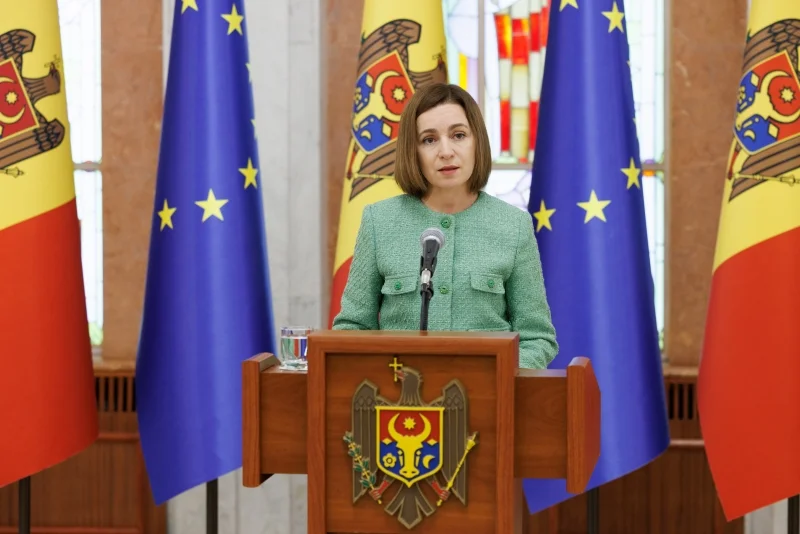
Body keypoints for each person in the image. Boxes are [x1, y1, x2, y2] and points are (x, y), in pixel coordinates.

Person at [332, 83, 558, 369]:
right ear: (413, 151)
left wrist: (497, 378)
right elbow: (352, 328)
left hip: (488, 394)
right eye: (429, 140)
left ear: (477, 142)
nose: (446, 151)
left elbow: (537, 338)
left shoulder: (513, 226)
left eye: (458, 135)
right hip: (401, 393)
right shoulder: (380, 221)